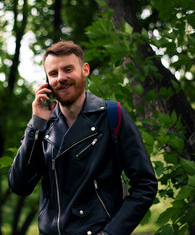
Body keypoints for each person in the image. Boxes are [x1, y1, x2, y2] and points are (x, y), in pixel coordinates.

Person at [8, 41, 157, 235]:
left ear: (84, 70)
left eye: (68, 69)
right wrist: (36, 125)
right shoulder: (43, 126)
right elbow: (19, 185)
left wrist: (111, 233)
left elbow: (145, 185)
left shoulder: (112, 115)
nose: (60, 78)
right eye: (53, 73)